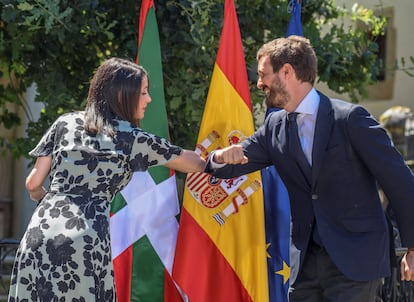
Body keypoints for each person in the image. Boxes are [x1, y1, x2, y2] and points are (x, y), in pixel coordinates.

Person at [205, 36, 414, 302]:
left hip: (356, 261)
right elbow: (229, 165)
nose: (259, 84)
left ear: (287, 71)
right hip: (305, 265)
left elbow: (401, 182)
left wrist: (412, 248)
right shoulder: (274, 127)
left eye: (263, 75)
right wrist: (221, 156)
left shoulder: (351, 119)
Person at [8, 57, 206, 301]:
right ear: (123, 95)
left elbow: (33, 183)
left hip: (40, 233)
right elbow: (194, 163)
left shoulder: (65, 122)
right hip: (86, 238)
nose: (148, 99)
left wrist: (44, 199)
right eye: (143, 93)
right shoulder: (134, 139)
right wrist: (219, 155)